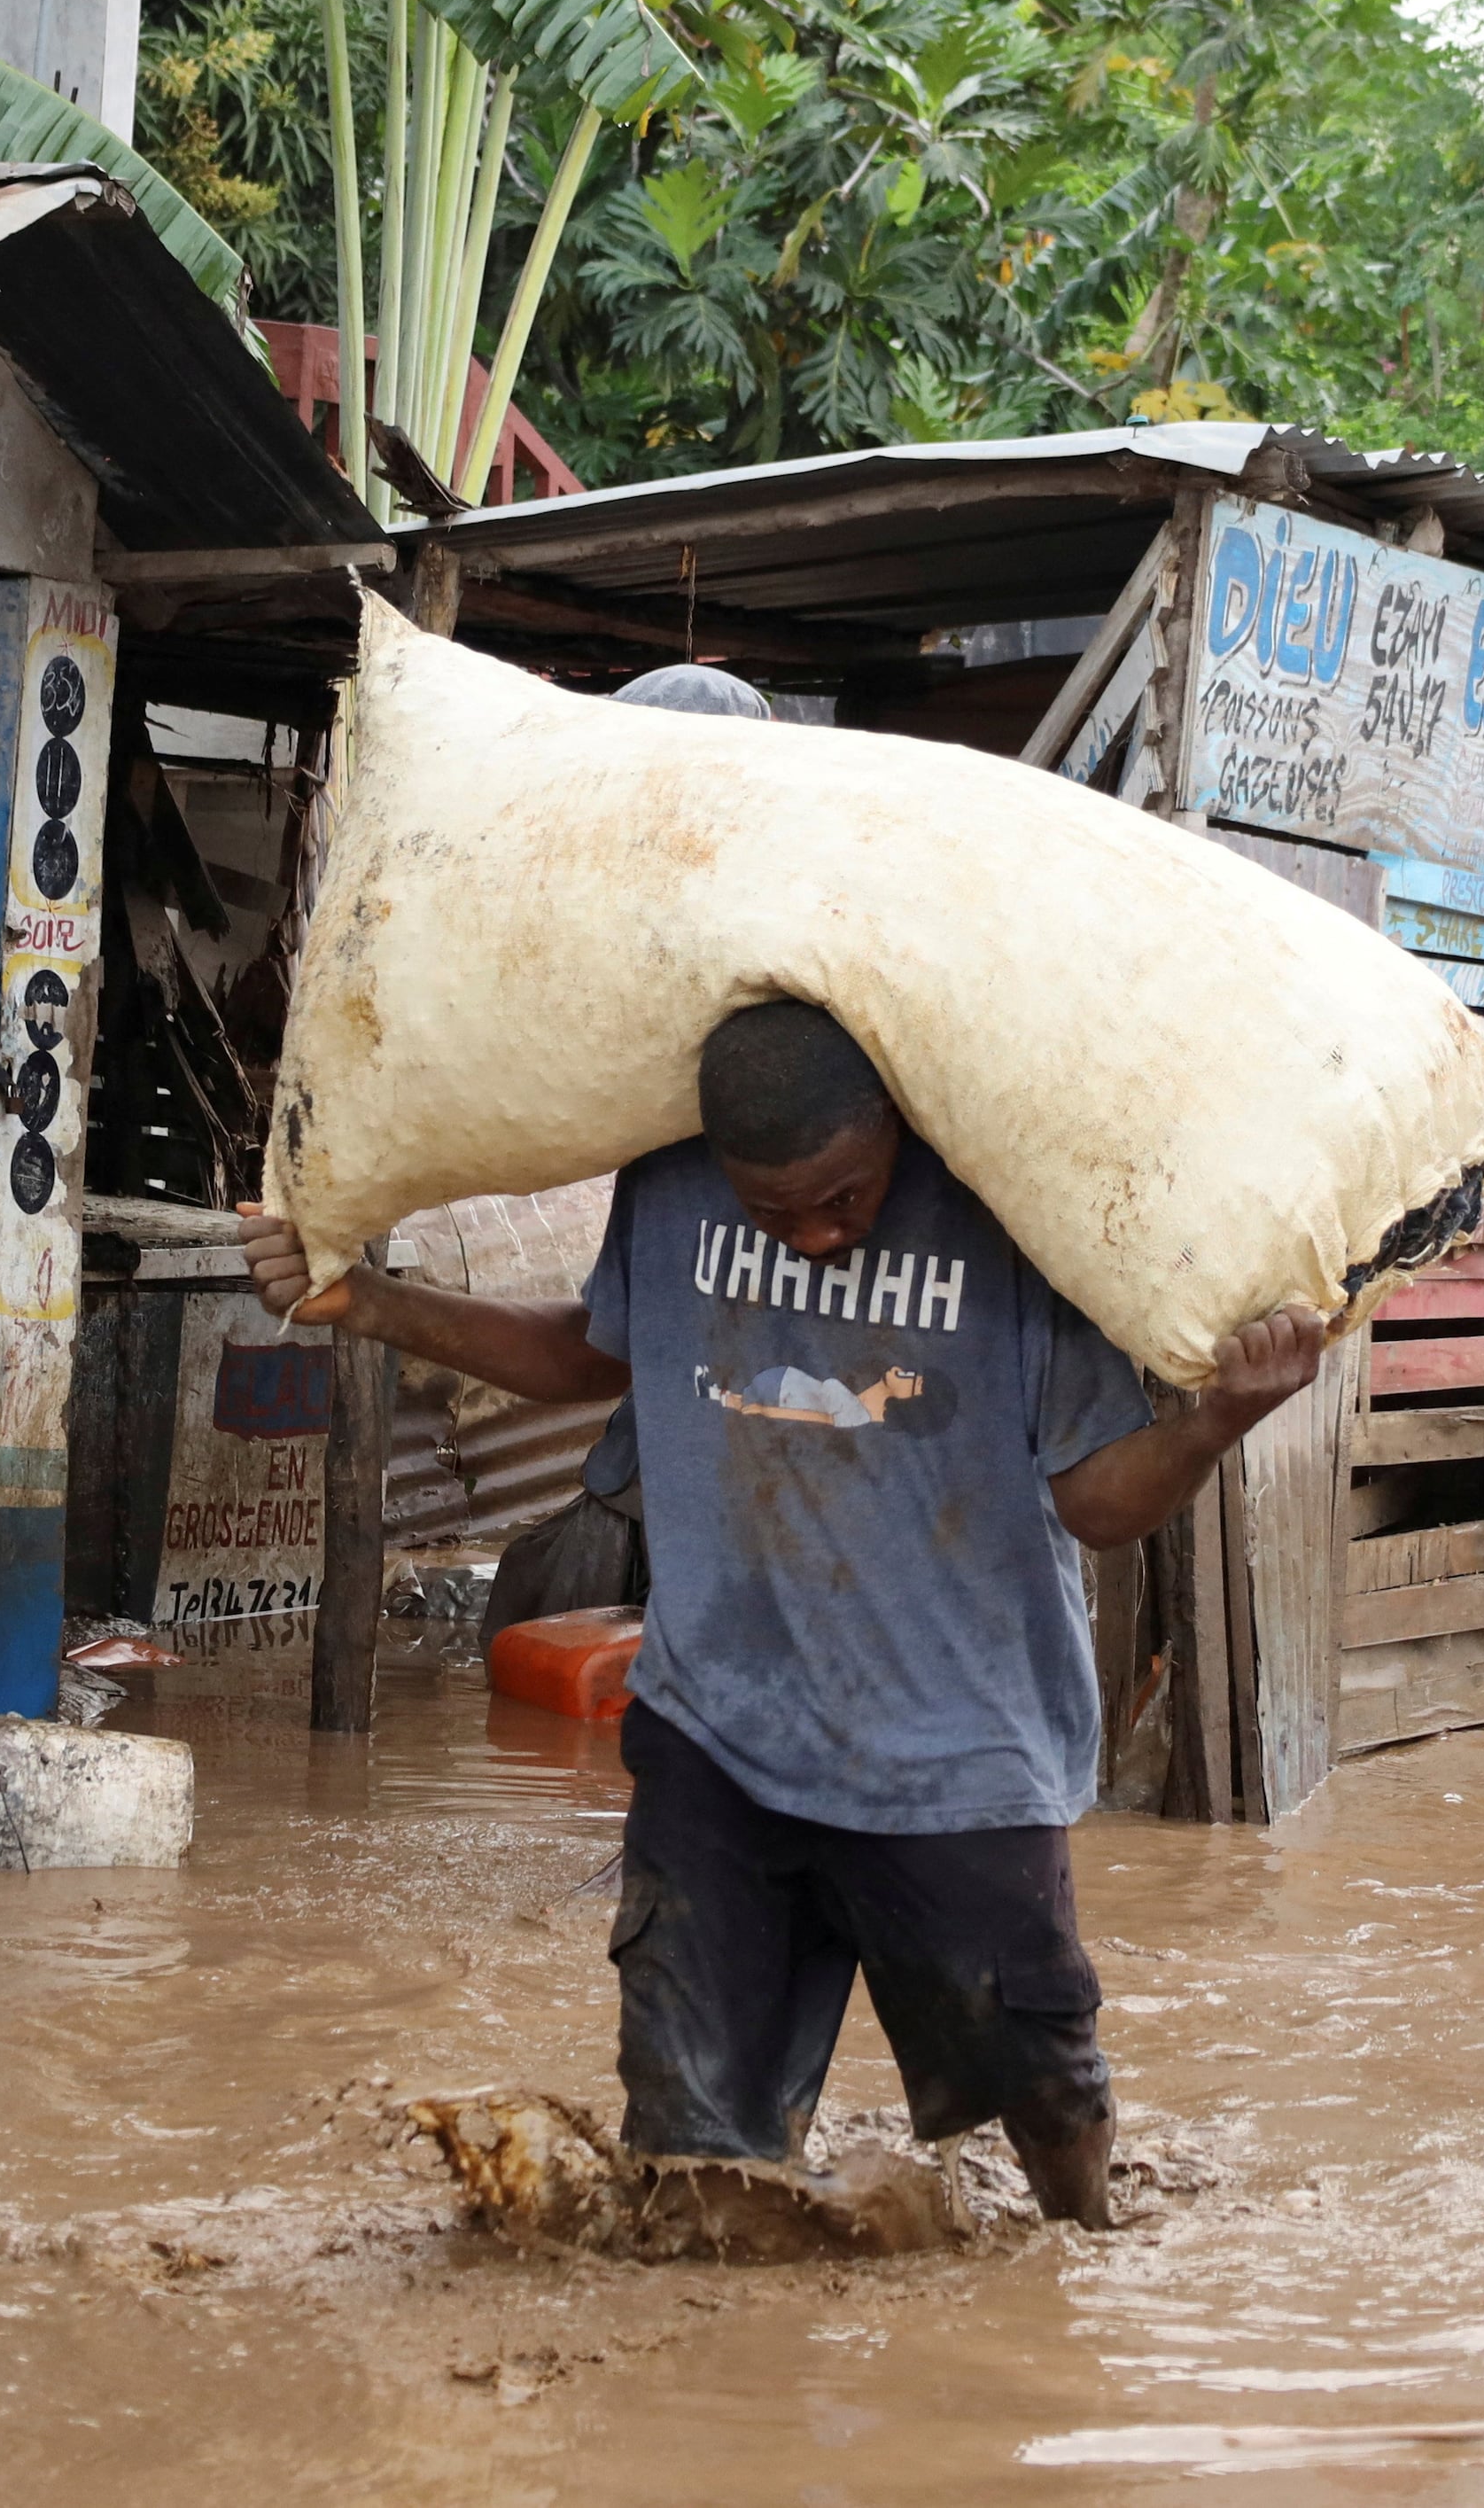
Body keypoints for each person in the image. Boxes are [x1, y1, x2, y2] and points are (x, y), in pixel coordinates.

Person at [244, 1000, 1325, 2225]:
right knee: (696, 2161)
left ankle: (1078, 2287)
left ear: (896, 1134)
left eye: (847, 1198)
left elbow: (1097, 1499)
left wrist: (1217, 1417)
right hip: (718, 1736)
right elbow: (594, 1353)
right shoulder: (666, 1178)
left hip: (956, 1759)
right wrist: (375, 1304)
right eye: (774, 1212)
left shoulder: (1012, 1212)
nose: (815, 1236)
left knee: (1048, 2102)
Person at [481, 661, 778, 1647]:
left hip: (783, 1530)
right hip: (656, 1501)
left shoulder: (793, 1000)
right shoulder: (655, 1063)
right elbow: (599, 1349)